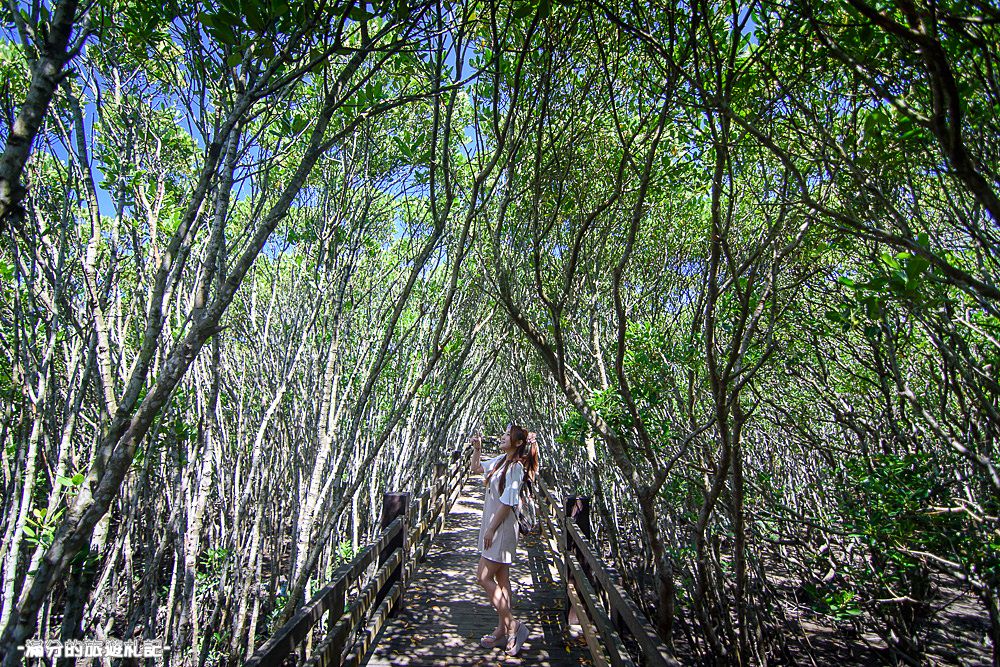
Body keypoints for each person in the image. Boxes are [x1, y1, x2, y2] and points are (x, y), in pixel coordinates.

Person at [469, 424, 540, 656]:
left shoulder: (516, 468)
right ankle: (503, 630)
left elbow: (508, 502)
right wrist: (477, 449)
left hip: (501, 528)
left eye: (507, 435)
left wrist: (490, 530)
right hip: (493, 525)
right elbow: (476, 468)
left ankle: (513, 625)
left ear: (518, 443)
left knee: (482, 576)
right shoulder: (501, 460)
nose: (502, 436)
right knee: (501, 578)